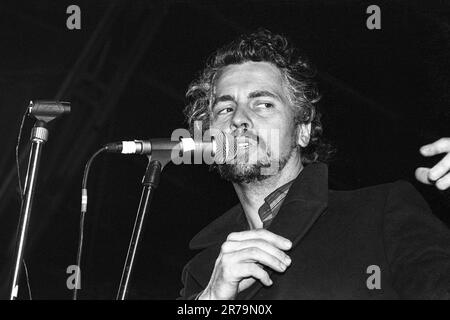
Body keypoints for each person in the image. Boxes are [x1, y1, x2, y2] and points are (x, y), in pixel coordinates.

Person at [178, 29, 450, 300]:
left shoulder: (379, 214)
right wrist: (212, 299)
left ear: (302, 130)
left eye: (263, 104)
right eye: (225, 109)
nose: (239, 119)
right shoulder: (202, 272)